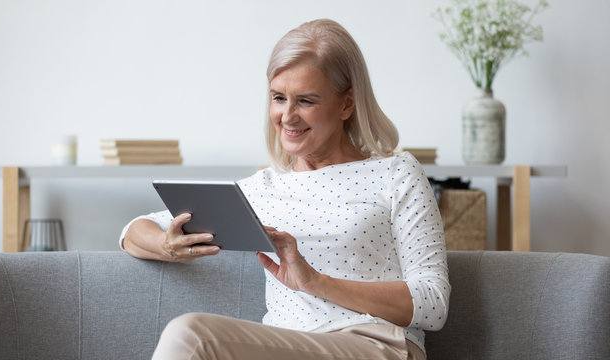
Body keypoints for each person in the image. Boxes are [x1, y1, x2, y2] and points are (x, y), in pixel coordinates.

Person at [120, 18, 450, 360]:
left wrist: (315, 281)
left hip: (376, 346)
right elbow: (133, 231)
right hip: (282, 347)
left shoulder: (395, 173)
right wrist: (167, 245)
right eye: (279, 98)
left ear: (347, 104)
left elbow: (433, 303)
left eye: (306, 101)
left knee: (191, 337)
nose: (287, 116)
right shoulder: (262, 189)